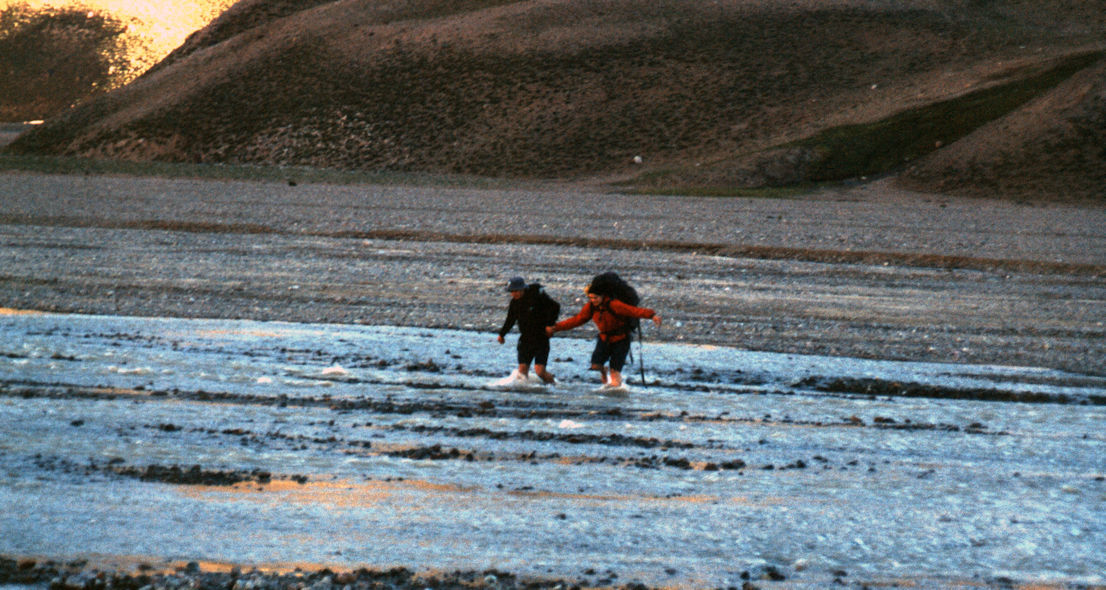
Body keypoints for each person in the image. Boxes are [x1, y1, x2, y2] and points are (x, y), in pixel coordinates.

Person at [546, 272, 661, 390]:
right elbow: (577, 320)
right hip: (604, 338)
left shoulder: (614, 304)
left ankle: (615, 392)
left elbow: (633, 311)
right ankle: (604, 372)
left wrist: (652, 315)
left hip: (621, 339)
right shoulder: (590, 307)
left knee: (615, 371)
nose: (593, 300)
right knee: (595, 365)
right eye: (590, 298)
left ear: (602, 296)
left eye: (595, 298)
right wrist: (556, 327)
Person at [497, 276, 560, 384]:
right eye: (512, 291)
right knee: (522, 371)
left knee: (540, 371)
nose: (514, 294)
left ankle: (555, 386)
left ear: (523, 289)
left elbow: (555, 307)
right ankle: (524, 390)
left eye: (516, 291)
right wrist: (502, 334)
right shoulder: (514, 303)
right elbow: (510, 320)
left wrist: (550, 324)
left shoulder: (536, 297)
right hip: (525, 339)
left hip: (541, 338)